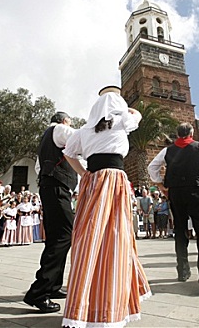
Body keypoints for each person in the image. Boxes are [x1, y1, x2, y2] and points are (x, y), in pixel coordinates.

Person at [62, 86, 151, 328]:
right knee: (116, 237)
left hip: (93, 180)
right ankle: (108, 306)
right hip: (114, 179)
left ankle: (83, 307)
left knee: (88, 237)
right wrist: (123, 106)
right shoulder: (123, 120)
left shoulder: (83, 130)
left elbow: (69, 153)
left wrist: (84, 173)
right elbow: (137, 115)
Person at [148, 122, 199, 294]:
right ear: (191, 133)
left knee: (180, 230)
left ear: (178, 134)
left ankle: (183, 270)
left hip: (176, 193)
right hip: (194, 191)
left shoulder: (167, 150)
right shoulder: (198, 146)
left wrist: (161, 185)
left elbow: (152, 167)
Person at [23, 111, 76, 313]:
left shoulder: (46, 140)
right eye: (69, 122)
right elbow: (80, 141)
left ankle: (52, 286)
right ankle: (39, 292)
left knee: (56, 238)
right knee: (65, 235)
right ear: (64, 121)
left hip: (50, 187)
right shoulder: (60, 129)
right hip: (57, 188)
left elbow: (38, 168)